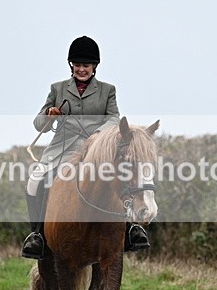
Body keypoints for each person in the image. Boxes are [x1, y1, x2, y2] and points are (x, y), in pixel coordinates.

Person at [21, 35, 151, 259]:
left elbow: (113, 118)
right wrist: (49, 114)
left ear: (94, 67)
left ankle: (131, 229)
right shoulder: (57, 89)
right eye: (78, 65)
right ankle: (38, 235)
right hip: (61, 149)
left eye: (87, 65)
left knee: (121, 177)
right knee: (34, 181)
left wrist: (99, 135)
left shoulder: (108, 90)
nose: (82, 69)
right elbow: (37, 124)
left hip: (95, 150)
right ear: (72, 65)